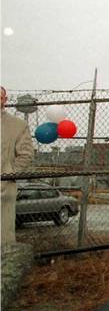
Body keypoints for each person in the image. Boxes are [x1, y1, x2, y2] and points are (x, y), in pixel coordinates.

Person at [0, 86, 34, 246]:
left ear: (5, 101)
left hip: (3, 188)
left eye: (0, 97)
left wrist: (8, 174)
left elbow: (26, 154)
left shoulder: (17, 125)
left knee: (3, 238)